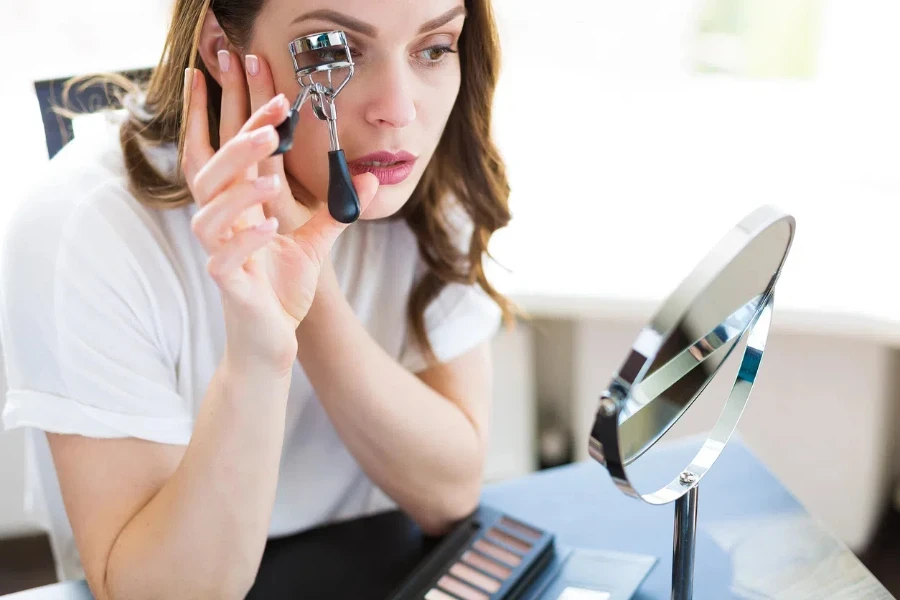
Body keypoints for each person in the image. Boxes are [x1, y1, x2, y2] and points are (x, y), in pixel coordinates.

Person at [0, 0, 514, 597]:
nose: (398, 113)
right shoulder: (84, 227)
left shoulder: (426, 181)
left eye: (433, 48)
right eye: (334, 49)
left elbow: (449, 492)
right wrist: (259, 353)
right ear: (223, 47)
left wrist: (310, 295)